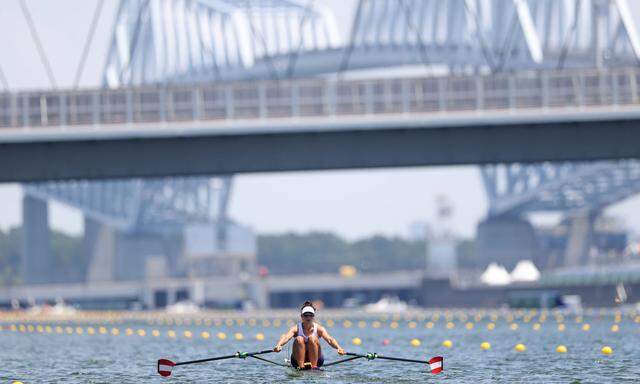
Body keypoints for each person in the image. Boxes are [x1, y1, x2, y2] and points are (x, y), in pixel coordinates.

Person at [273, 300, 345, 370]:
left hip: (317, 360)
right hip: (297, 361)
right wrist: (278, 345)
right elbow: (286, 337)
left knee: (312, 338)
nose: (308, 317)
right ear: (301, 316)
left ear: (313, 316)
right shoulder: (296, 328)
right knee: (299, 339)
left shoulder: (319, 329)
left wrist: (339, 348)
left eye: (310, 315)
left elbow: (330, 340)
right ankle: (301, 367)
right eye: (306, 315)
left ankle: (314, 367)